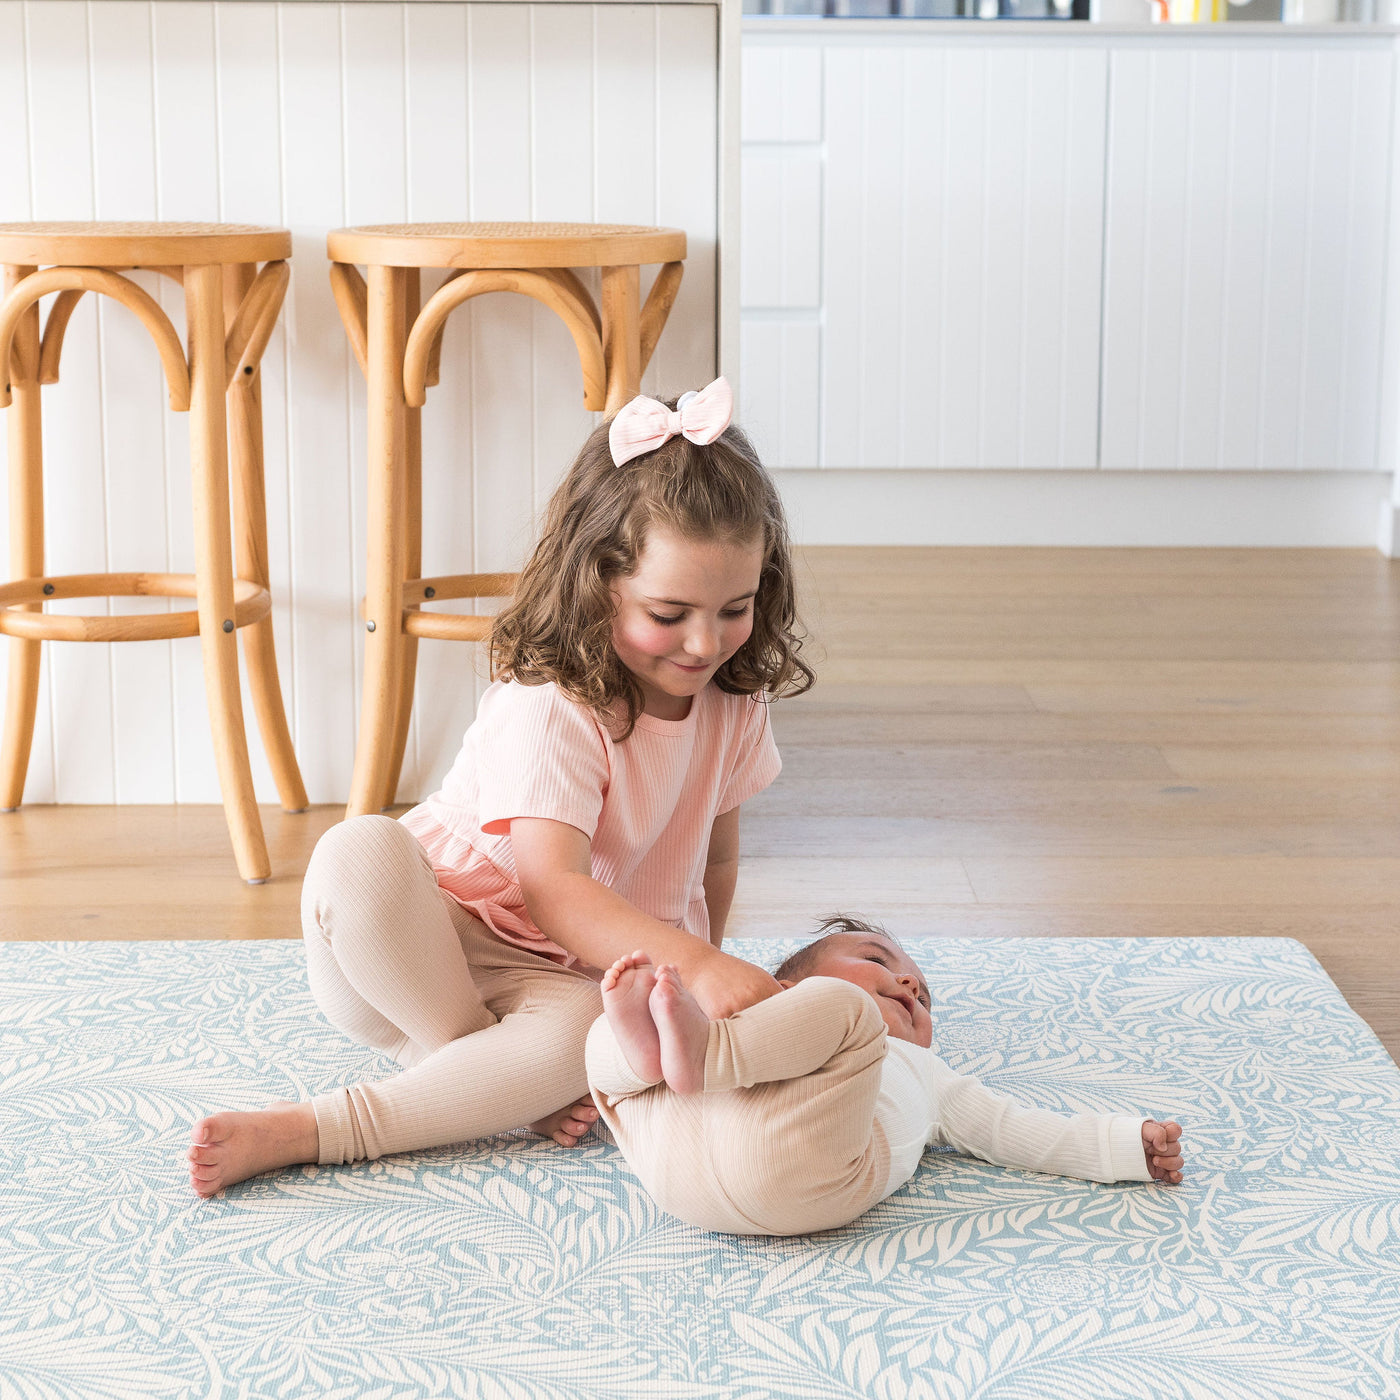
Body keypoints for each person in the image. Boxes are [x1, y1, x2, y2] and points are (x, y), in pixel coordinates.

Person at [187, 376, 813, 1197]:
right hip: (428, 944)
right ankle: (393, 1098)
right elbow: (553, 890)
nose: (705, 642)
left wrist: (697, 974)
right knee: (358, 850)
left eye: (735, 607)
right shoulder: (554, 703)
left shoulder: (735, 700)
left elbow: (716, 863)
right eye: (669, 614)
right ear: (599, 583)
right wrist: (693, 963)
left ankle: (468, 1079)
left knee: (583, 1034)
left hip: (567, 983)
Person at [586, 916, 1186, 1236]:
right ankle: (645, 1056)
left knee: (845, 1011)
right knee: (593, 1037)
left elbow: (1013, 1128)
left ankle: (671, 1057)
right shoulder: (757, 1008)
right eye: (878, 960)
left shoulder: (924, 1070)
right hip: (679, 1165)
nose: (909, 986)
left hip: (804, 1175)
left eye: (922, 997)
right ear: (783, 988)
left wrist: (1123, 1146)